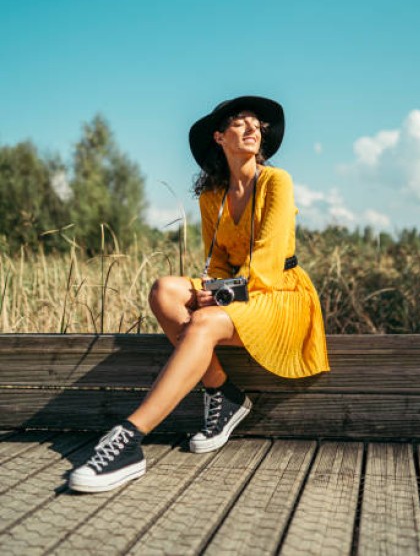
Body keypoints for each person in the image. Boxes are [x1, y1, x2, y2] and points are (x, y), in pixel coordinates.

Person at [69, 96, 330, 493]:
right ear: (219, 137)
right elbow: (219, 263)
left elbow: (269, 259)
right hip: (240, 292)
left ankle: (129, 438)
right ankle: (221, 391)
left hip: (281, 293)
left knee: (205, 320)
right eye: (240, 123)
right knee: (164, 291)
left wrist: (223, 298)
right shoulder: (214, 197)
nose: (253, 129)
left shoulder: (277, 182)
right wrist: (217, 289)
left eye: (257, 125)